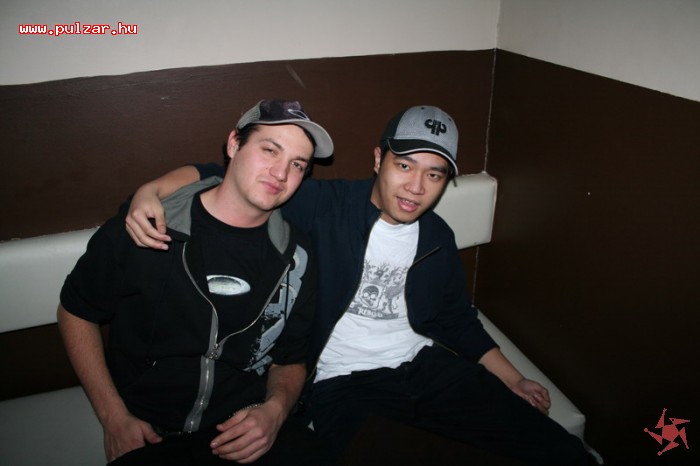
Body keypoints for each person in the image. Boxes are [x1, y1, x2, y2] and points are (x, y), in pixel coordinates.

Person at [125, 105, 590, 465]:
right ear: (378, 158)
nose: (416, 187)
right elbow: (225, 174)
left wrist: (513, 378)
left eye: (434, 174)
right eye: (404, 165)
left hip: (427, 369)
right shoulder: (325, 205)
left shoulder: (436, 236)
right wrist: (152, 190)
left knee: (561, 453)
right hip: (342, 386)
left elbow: (456, 318)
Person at [57, 99, 336, 466]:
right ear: (234, 144)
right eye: (270, 150)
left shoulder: (297, 256)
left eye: (297, 164)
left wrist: (276, 411)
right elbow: (76, 312)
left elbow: (290, 358)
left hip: (244, 430)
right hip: (150, 431)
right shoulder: (148, 227)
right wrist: (113, 417)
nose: (281, 173)